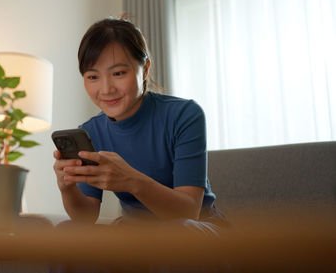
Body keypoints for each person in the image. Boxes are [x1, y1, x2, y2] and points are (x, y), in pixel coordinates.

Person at [53, 17, 228, 234]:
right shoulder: (90, 132)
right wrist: (67, 188)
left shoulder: (184, 115)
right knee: (67, 231)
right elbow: (86, 217)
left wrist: (131, 180)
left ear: (144, 69)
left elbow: (188, 212)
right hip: (136, 235)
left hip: (196, 231)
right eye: (93, 76)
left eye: (118, 73)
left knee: (178, 231)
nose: (106, 89)